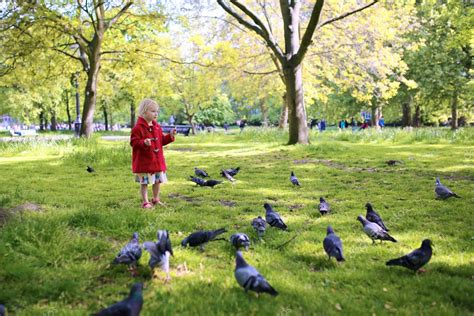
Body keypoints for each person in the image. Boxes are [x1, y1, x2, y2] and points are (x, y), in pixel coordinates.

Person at [130, 99, 176, 209]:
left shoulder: (157, 127)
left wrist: (170, 136)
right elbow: (133, 143)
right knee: (144, 183)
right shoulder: (138, 128)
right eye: (153, 111)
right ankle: (145, 202)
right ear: (144, 112)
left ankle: (156, 199)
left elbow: (161, 141)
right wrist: (143, 143)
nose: (156, 114)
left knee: (157, 181)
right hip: (144, 162)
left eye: (157, 111)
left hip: (156, 161)